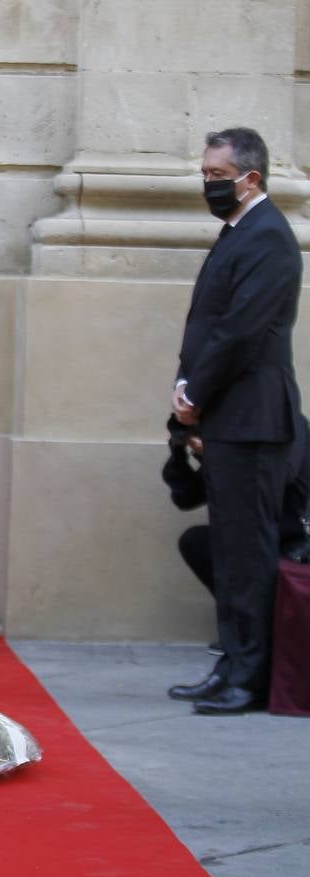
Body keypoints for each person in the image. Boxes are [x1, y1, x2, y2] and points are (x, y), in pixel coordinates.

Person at [168, 127, 304, 715]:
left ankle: (250, 677)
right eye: (205, 174)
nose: (208, 185)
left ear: (251, 178)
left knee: (249, 554)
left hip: (252, 421)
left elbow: (241, 333)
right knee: (231, 551)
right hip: (228, 419)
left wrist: (195, 392)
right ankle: (233, 665)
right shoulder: (241, 232)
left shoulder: (270, 238)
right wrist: (186, 395)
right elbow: (210, 327)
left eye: (217, 176)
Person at [166, 416, 310, 656]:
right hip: (244, 537)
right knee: (196, 542)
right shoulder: (230, 435)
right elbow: (187, 498)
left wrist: (213, 454)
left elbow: (280, 477)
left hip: (287, 537)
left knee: (248, 553)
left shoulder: (287, 422)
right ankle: (243, 630)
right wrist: (180, 454)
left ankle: (261, 636)